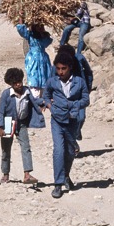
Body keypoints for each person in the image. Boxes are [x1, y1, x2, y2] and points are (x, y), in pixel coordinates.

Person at [41, 46, 90, 199]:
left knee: (70, 151)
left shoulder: (79, 82)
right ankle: (58, 184)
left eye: (64, 68)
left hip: (72, 120)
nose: (60, 72)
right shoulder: (52, 82)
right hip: (57, 120)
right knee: (58, 150)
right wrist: (50, 106)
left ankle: (66, 175)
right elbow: (46, 96)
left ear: (70, 68)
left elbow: (85, 100)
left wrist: (73, 106)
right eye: (58, 69)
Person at [0, 67, 46, 184]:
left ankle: (27, 174)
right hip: (8, 125)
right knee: (6, 150)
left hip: (21, 124)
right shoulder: (6, 94)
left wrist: (44, 102)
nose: (18, 84)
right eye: (15, 83)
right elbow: (0, 111)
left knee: (26, 147)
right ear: (11, 83)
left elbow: (34, 101)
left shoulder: (27, 91)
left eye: (20, 81)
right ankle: (5, 174)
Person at [16, 22, 53, 90]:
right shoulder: (30, 35)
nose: (39, 28)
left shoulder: (44, 36)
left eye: (41, 26)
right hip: (33, 59)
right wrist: (21, 16)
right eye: (37, 26)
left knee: (45, 77)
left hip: (43, 59)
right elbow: (21, 29)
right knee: (34, 77)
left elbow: (47, 43)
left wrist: (42, 32)